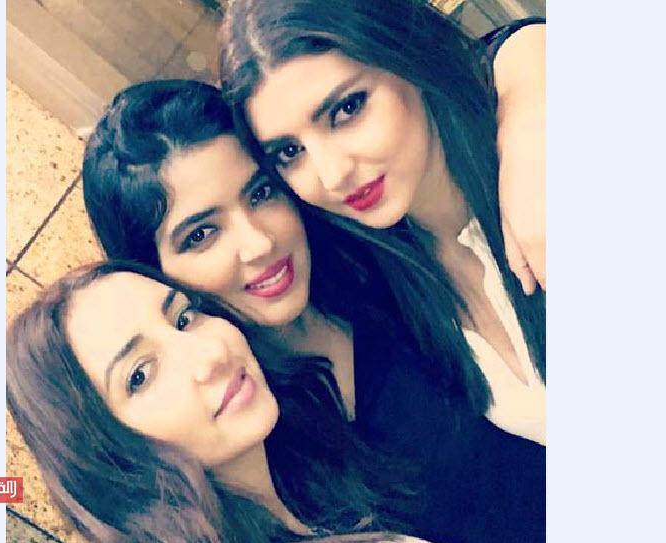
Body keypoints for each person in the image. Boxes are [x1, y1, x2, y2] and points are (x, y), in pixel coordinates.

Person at [82, 80, 545, 543]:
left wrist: (528, 108)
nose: (259, 243)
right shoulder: (244, 436)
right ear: (151, 276)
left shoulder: (371, 242)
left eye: (261, 193)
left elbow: (482, 71)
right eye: (202, 235)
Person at [219, 0, 546, 445]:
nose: (332, 175)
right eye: (290, 153)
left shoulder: (538, 167)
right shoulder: (384, 279)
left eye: (347, 109)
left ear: (405, 53)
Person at [6, 260, 426, 542]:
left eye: (184, 318)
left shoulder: (320, 478)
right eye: (140, 375)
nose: (211, 353)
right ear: (105, 457)